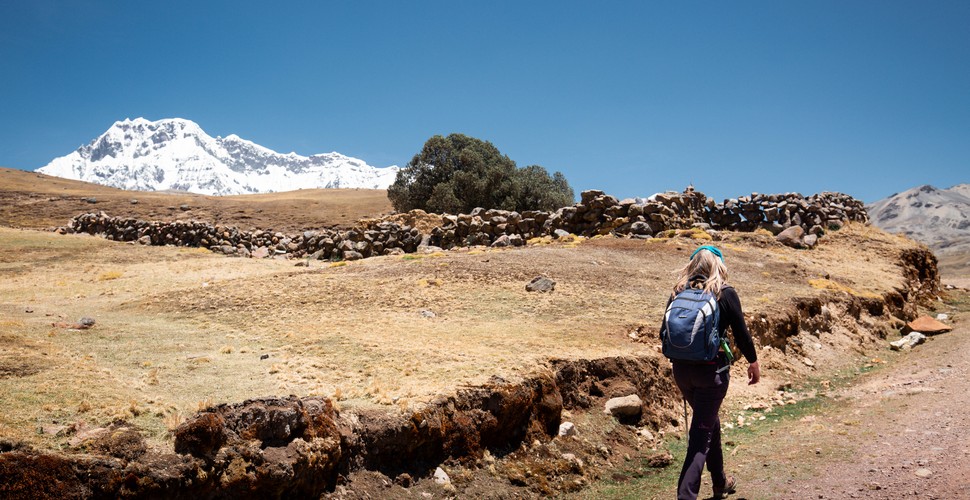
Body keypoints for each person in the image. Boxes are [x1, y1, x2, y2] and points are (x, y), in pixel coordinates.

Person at [663, 245, 760, 500]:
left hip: (681, 371)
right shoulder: (724, 293)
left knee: (708, 422)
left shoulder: (677, 291)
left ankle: (720, 483)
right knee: (700, 437)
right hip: (712, 374)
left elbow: (663, 333)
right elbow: (741, 333)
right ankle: (686, 496)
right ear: (719, 264)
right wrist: (753, 361)